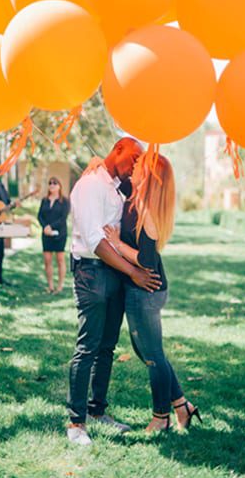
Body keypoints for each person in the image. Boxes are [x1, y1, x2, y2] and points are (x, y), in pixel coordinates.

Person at [66, 138, 161, 446]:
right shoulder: (91, 185)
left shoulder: (114, 187)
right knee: (88, 346)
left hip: (114, 273)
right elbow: (95, 241)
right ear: (118, 148)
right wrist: (134, 271)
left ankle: (96, 411)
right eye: (133, 158)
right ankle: (76, 423)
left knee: (106, 347)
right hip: (91, 272)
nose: (135, 166)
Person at [103, 153, 201, 433]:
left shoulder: (147, 212)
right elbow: (112, 181)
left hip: (146, 289)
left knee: (152, 355)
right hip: (139, 288)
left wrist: (116, 244)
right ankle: (183, 407)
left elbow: (146, 260)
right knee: (145, 349)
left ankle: (161, 417)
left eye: (138, 165)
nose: (132, 167)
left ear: (147, 176)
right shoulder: (133, 196)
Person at [37, 176, 70, 294]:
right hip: (46, 234)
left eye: (55, 183)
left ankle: (60, 286)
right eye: (50, 183)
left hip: (59, 233)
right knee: (47, 260)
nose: (52, 185)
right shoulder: (44, 200)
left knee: (60, 259)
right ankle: (50, 286)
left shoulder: (64, 201)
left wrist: (51, 226)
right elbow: (39, 215)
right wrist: (45, 226)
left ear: (59, 186)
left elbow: (63, 218)